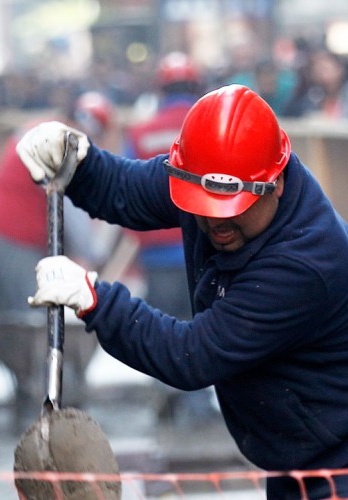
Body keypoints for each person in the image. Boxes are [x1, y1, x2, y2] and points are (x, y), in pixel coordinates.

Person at [16, 84, 348, 499]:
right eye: (202, 207)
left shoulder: (305, 263)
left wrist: (96, 300)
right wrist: (80, 162)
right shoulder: (208, 174)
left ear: (275, 185)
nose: (216, 223)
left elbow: (192, 356)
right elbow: (128, 190)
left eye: (229, 210)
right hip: (301, 451)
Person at [0, 90, 114, 430]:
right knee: (32, 327)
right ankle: (42, 413)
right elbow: (70, 210)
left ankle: (29, 401)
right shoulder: (62, 145)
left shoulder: (43, 129)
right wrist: (91, 255)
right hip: (12, 244)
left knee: (20, 329)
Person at [124, 52, 218, 427]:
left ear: (160, 89)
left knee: (162, 328)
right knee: (201, 326)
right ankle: (198, 407)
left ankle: (168, 403)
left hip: (156, 253)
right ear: (195, 86)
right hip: (202, 247)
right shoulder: (209, 126)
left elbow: (126, 188)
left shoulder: (141, 132)